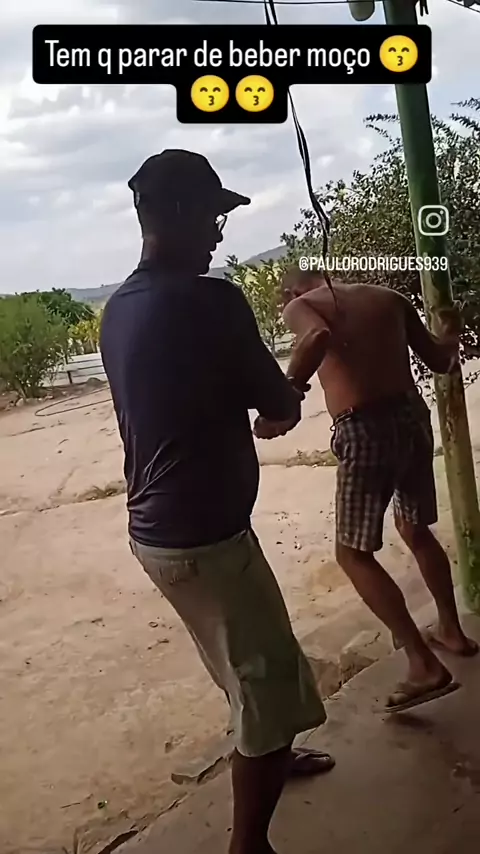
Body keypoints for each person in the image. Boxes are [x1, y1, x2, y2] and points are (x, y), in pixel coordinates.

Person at [100, 151, 334, 854]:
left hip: (158, 532)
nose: (218, 233)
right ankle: (248, 843)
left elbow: (190, 391)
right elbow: (276, 405)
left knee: (240, 667)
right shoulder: (212, 300)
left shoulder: (119, 308)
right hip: (206, 540)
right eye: (212, 216)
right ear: (175, 214)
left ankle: (270, 755)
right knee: (269, 685)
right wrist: (289, 393)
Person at [256, 267, 478, 715]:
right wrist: (450, 334)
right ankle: (452, 630)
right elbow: (440, 360)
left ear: (291, 291)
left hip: (364, 427)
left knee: (353, 554)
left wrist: (287, 397)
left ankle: (423, 664)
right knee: (414, 528)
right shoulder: (387, 297)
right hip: (411, 418)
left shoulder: (304, 306)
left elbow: (316, 336)